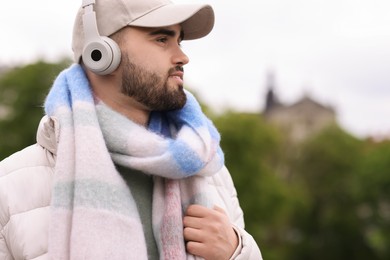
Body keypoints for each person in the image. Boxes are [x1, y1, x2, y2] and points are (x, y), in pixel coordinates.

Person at [0, 0, 262, 259]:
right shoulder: (10, 188)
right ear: (101, 53)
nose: (183, 57)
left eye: (179, 41)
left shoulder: (210, 171)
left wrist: (237, 251)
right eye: (162, 39)